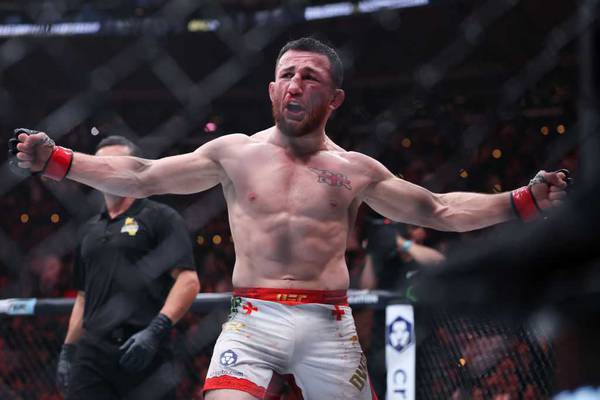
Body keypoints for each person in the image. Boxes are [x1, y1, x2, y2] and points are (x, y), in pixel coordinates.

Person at [10, 37, 568, 400]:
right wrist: (59, 161)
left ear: (335, 98)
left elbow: (439, 209)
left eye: (310, 76)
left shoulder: (355, 170)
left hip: (329, 321)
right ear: (273, 90)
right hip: (252, 317)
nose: (297, 83)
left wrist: (522, 200)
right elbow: (141, 175)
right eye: (288, 74)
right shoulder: (233, 153)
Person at [54, 136, 200, 400]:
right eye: (102, 164)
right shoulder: (89, 229)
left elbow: (188, 281)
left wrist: (155, 332)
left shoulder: (160, 217)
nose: (107, 170)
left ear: (134, 168)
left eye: (116, 163)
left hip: (144, 345)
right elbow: (83, 296)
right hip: (92, 351)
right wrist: (68, 349)